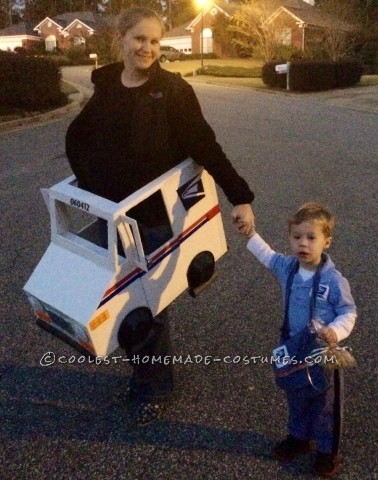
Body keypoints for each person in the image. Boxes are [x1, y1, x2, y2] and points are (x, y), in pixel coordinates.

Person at [65, 7, 255, 426]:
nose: (147, 48)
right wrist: (85, 179)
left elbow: (205, 145)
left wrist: (239, 196)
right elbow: (84, 134)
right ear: (121, 38)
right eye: (139, 39)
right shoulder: (108, 84)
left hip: (153, 216)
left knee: (146, 306)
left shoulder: (173, 92)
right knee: (115, 299)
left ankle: (156, 384)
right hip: (110, 212)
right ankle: (145, 372)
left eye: (154, 41)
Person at [242, 202, 356, 478]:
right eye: (296, 237)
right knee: (296, 395)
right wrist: (250, 234)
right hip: (293, 346)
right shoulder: (289, 268)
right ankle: (299, 437)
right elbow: (267, 255)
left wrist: (336, 331)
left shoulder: (333, 280)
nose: (302, 244)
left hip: (322, 354)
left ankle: (327, 451)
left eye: (311, 237)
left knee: (325, 403)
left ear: (326, 241)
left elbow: (348, 311)